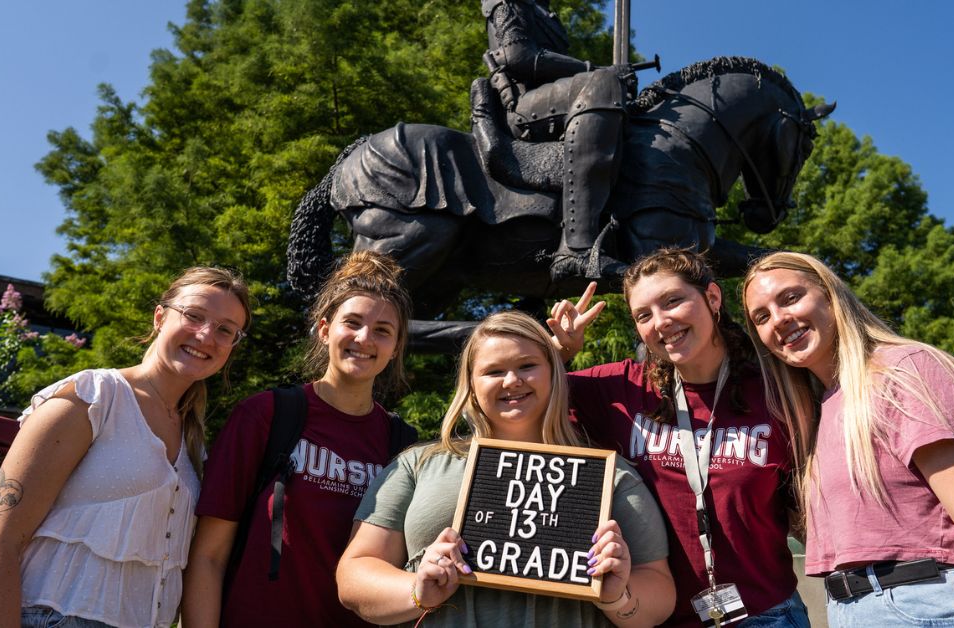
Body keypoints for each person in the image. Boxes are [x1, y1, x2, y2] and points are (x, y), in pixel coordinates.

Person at [741, 250, 954, 627]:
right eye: (762, 316)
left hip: (933, 606)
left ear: (829, 294)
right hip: (851, 611)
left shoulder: (906, 370)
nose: (779, 319)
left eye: (791, 298)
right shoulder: (819, 414)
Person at [337, 310, 675, 626]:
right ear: (471, 383)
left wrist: (618, 596)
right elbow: (354, 577)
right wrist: (416, 591)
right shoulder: (418, 464)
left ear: (554, 372)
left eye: (527, 365)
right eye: (494, 371)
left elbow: (660, 590)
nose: (512, 381)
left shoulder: (608, 476)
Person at [0, 267, 252, 627]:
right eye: (193, 315)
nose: (207, 335)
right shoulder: (93, 398)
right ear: (160, 317)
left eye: (226, 329)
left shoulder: (196, 443)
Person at [549, 247, 811, 627]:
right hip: (657, 617)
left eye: (672, 301)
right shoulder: (618, 388)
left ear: (713, 297)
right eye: (643, 315)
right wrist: (561, 353)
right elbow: (526, 396)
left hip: (766, 614)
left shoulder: (778, 388)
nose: (661, 322)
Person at [182, 252, 414, 627]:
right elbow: (208, 556)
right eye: (351, 323)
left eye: (383, 330)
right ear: (325, 330)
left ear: (396, 346)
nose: (364, 338)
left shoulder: (403, 445)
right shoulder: (266, 415)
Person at [476, 0, 634, 281]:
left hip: (556, 97)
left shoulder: (543, 11)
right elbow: (519, 57)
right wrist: (593, 68)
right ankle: (577, 247)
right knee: (600, 85)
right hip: (523, 106)